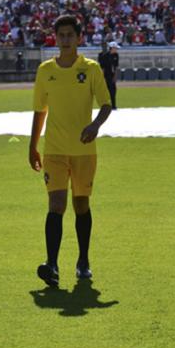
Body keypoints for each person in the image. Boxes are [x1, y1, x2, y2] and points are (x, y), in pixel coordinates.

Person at [29, 15, 112, 287]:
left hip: (83, 152)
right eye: (60, 35)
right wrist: (32, 145)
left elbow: (106, 104)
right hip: (53, 150)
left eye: (69, 35)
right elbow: (40, 110)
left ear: (79, 38)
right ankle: (52, 265)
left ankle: (83, 260)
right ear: (55, 37)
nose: (65, 39)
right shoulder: (45, 70)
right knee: (56, 205)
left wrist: (95, 125)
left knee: (81, 205)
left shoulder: (90, 69)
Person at [98, 41, 120, 109]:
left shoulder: (116, 55)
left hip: (111, 74)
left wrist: (115, 76)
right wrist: (102, 78)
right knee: (106, 91)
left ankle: (113, 106)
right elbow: (102, 68)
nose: (117, 49)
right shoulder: (104, 56)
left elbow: (116, 67)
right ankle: (105, 106)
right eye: (115, 48)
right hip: (105, 75)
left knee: (113, 90)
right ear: (112, 48)